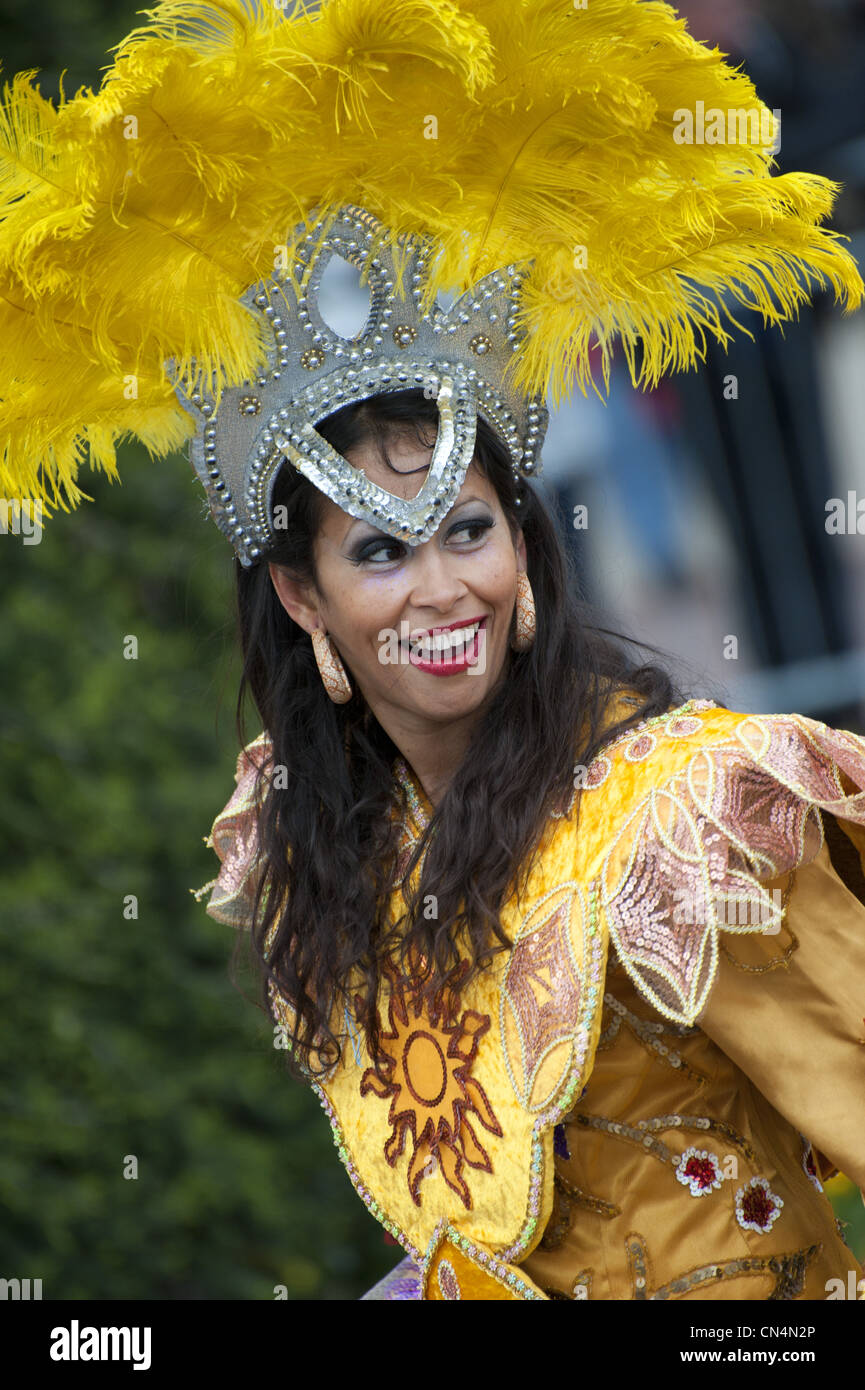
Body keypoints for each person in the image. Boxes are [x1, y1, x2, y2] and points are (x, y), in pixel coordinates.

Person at [3, 0, 864, 1301]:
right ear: (303, 601)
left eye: (467, 527)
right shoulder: (336, 842)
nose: (441, 586)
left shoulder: (689, 824)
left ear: (523, 543)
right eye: (379, 552)